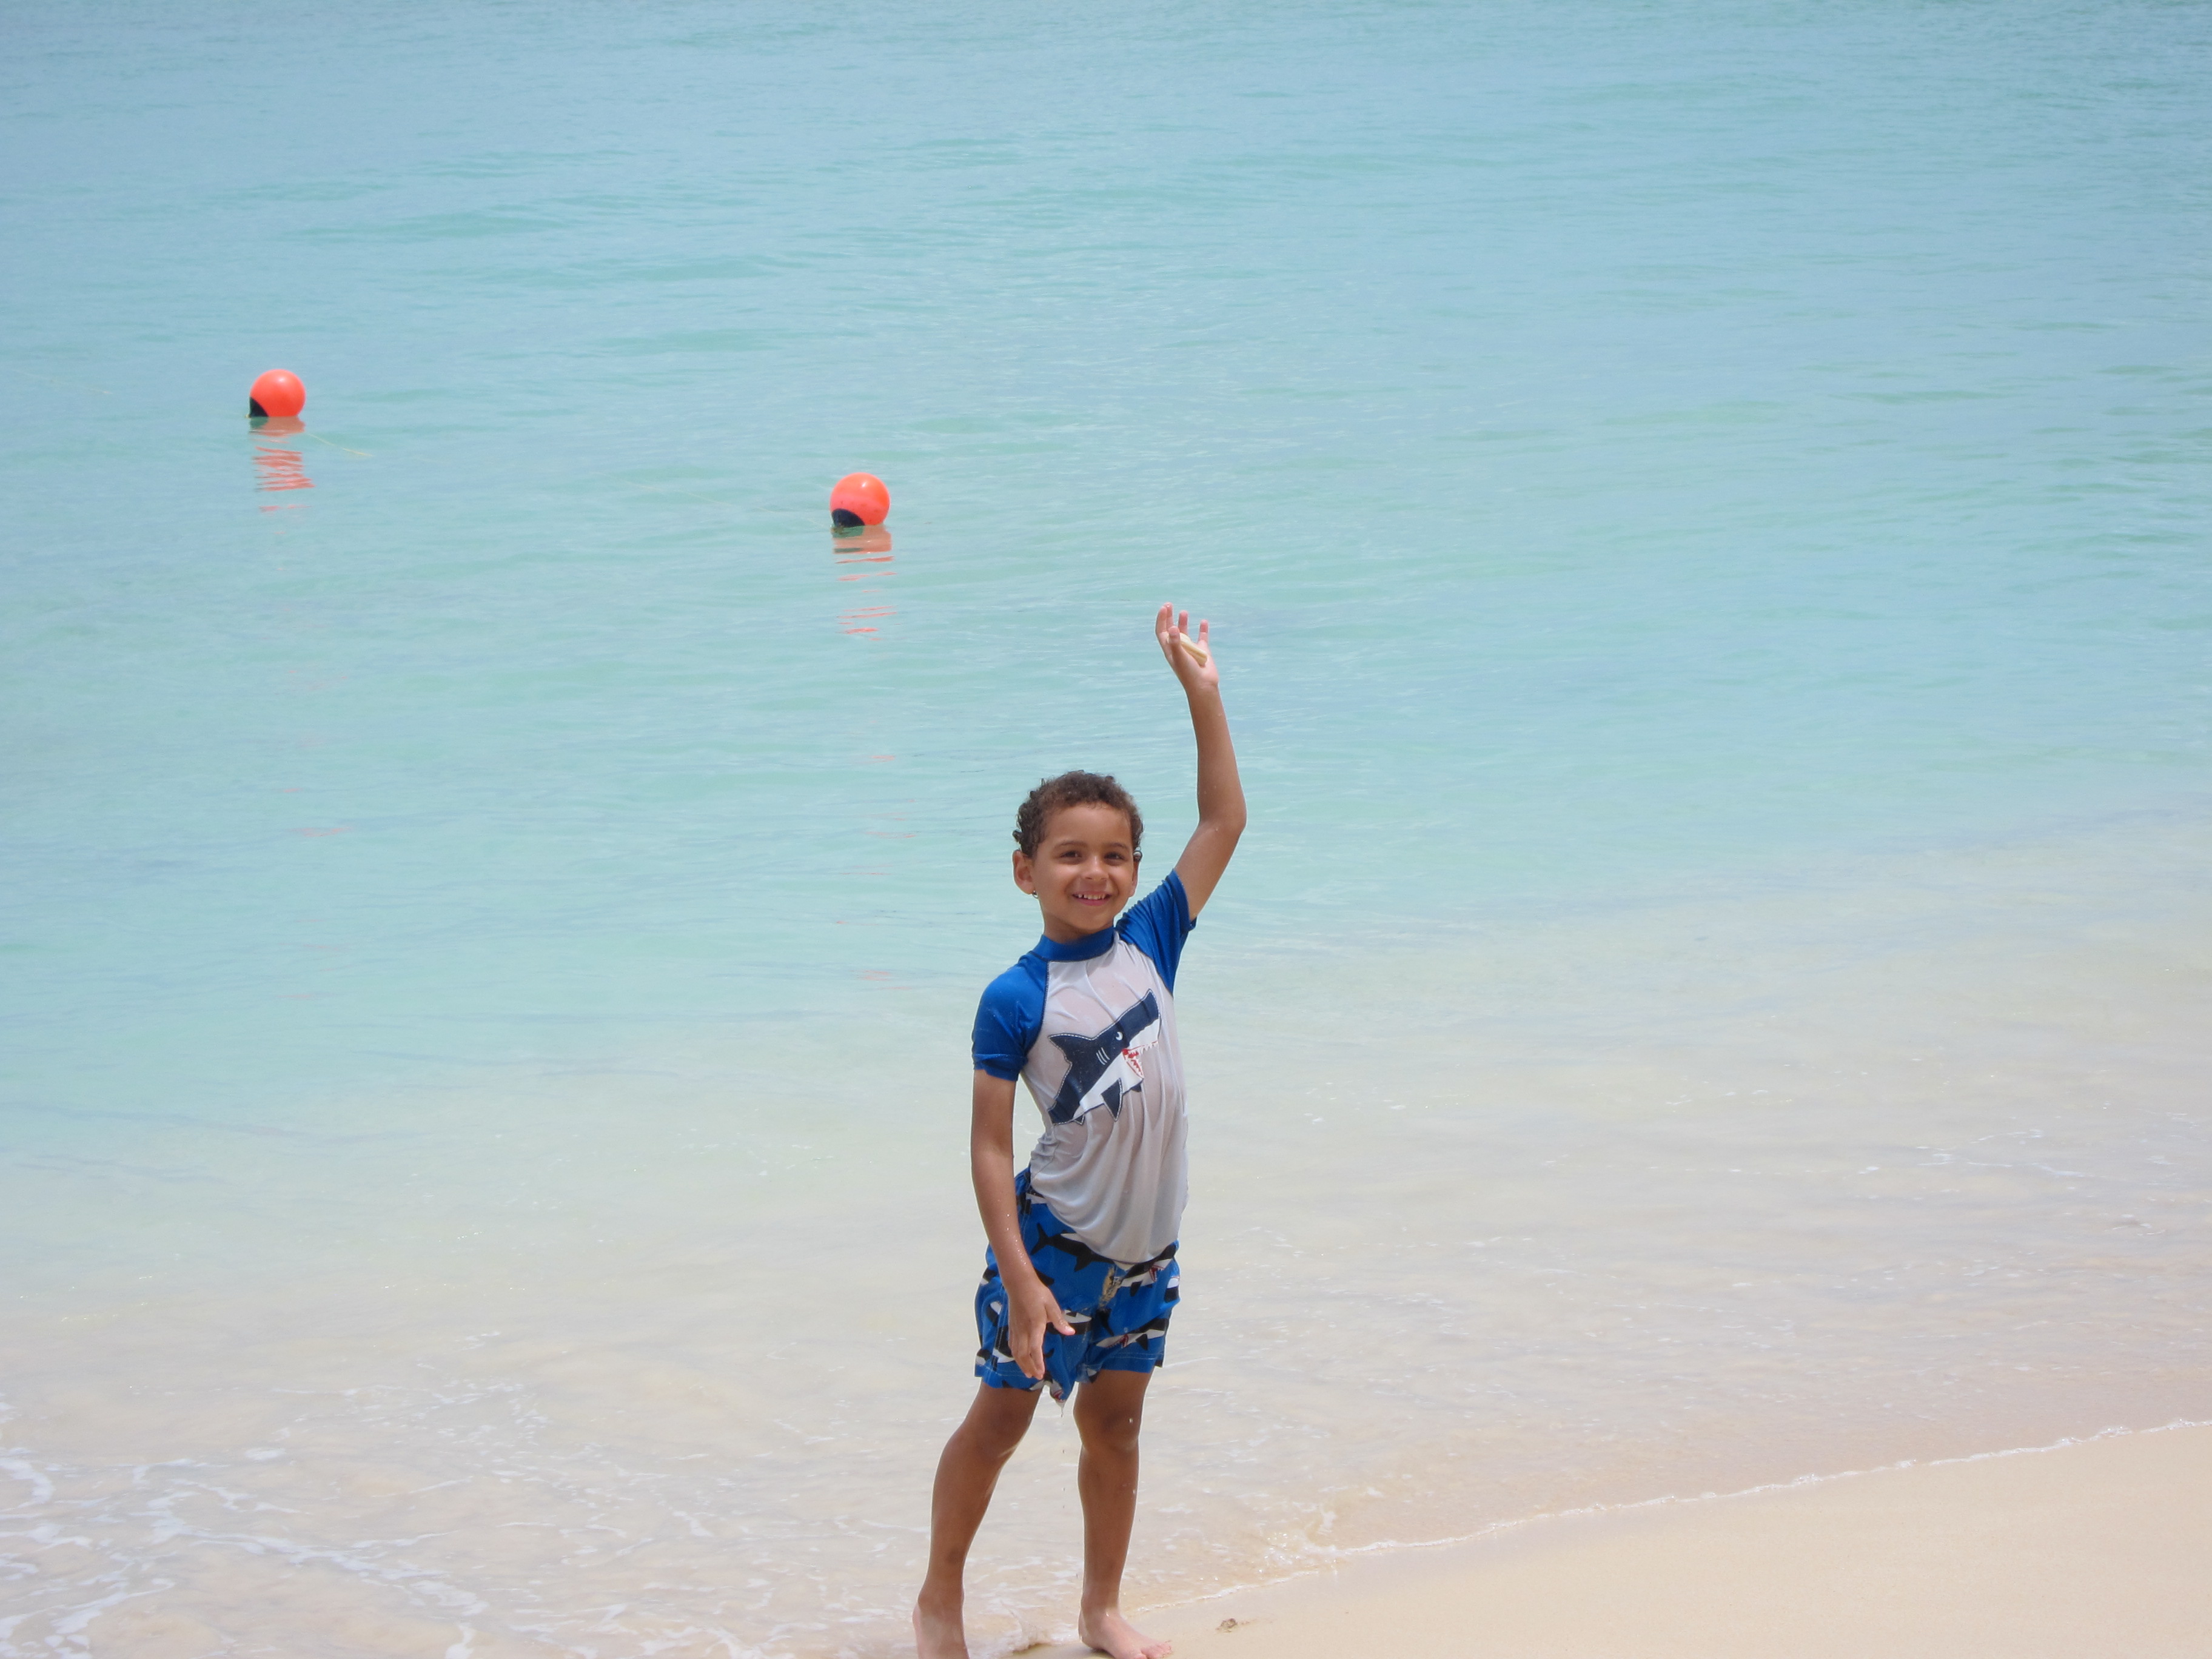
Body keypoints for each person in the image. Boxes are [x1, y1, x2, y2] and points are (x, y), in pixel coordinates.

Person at [913, 603, 1247, 1659]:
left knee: (1116, 1427)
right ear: (1026, 871)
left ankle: (1101, 1608)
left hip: (1146, 1251)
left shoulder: (1152, 940)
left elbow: (1224, 822)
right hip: (1053, 1247)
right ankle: (938, 1600)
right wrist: (1020, 1280)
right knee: (1001, 1422)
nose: (1094, 873)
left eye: (1114, 855)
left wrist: (1202, 695)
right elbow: (987, 1147)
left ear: (1135, 866)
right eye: (1069, 856)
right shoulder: (1017, 997)